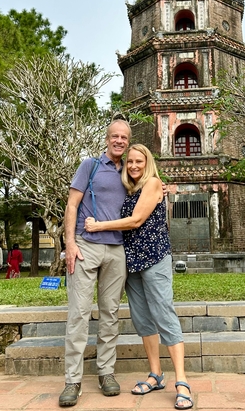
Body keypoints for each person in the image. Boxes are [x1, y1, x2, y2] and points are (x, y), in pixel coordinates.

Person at [85, 144, 193, 410]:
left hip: (155, 258)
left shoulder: (154, 184)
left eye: (139, 161)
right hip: (132, 261)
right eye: (130, 162)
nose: (133, 165)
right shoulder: (129, 188)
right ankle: (155, 374)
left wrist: (99, 226)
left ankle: (182, 381)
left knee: (164, 314)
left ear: (148, 163)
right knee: (143, 319)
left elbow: (135, 221)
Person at [58, 119, 131, 407]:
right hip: (86, 246)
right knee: (78, 312)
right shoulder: (89, 166)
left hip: (116, 249)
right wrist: (70, 243)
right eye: (115, 136)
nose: (119, 141)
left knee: (110, 313)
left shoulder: (130, 170)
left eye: (124, 137)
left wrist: (160, 191)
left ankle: (106, 373)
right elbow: (72, 204)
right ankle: (72, 380)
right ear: (106, 139)